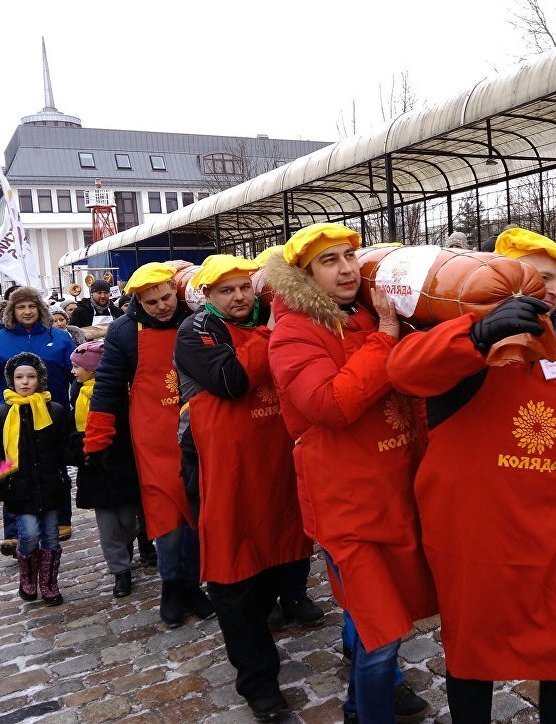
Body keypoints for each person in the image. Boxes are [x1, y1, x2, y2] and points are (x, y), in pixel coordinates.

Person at [386, 227, 556, 723]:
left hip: (548, 528)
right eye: (539, 278)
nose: (552, 291)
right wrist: (474, 334)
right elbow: (406, 372)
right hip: (472, 530)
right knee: (473, 650)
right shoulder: (457, 339)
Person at [266, 223, 436, 723]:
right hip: (347, 505)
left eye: (348, 258)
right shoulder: (295, 331)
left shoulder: (368, 314)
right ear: (303, 275)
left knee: (383, 620)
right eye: (328, 260)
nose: (345, 269)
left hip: (395, 492)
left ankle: (363, 705)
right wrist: (385, 339)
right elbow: (330, 404)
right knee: (381, 632)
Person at [174, 255, 314, 722]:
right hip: (225, 476)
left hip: (276, 470)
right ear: (209, 296)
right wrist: (273, 335)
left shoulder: (266, 319)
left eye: (244, 288)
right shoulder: (195, 333)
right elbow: (231, 381)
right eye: (226, 290)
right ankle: (258, 682)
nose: (238, 297)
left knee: (278, 559)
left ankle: (272, 616)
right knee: (235, 580)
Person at [83, 263, 211, 627]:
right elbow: (106, 387)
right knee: (167, 521)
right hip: (153, 442)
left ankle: (193, 584)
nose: (162, 306)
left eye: (167, 297)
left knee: (199, 517)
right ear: (137, 300)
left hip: (198, 433)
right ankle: (172, 586)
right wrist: (97, 442)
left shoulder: (195, 317)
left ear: (176, 290)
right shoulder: (124, 332)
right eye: (151, 301)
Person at [0, 286, 76, 553]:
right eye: (21, 307)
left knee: (55, 465)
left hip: (52, 416)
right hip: (12, 419)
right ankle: (13, 529)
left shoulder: (59, 338)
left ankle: (61, 518)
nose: (27, 311)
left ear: (40, 309)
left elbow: (75, 372)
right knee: (13, 470)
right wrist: (4, 406)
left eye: (31, 306)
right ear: (12, 310)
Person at [0, 352, 73, 606]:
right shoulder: (2, 414)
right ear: (11, 381)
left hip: (51, 485)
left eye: (31, 377)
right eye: (19, 377)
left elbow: (64, 446)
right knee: (29, 534)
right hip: (20, 489)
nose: (25, 382)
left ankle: (49, 582)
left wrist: (82, 451)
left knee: (51, 536)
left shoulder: (53, 410)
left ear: (40, 379)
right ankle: (28, 577)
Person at [68, 339, 142, 599]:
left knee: (129, 521)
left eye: (78, 367)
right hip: (96, 467)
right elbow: (74, 431)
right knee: (108, 525)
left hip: (123, 464)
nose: (74, 372)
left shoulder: (122, 393)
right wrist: (82, 451)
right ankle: (120, 570)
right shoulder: (77, 394)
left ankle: (128, 546)